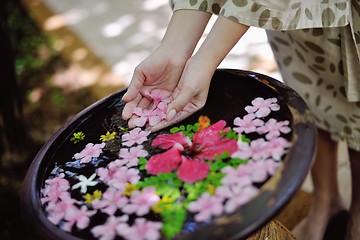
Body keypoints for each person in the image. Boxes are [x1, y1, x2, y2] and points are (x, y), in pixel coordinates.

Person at [121, 1, 360, 239]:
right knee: (310, 91)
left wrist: (205, 59)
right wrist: (173, 51)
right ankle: (325, 199)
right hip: (292, 15)